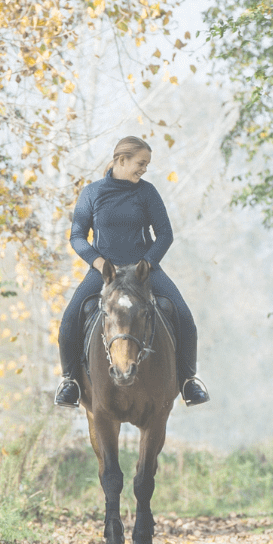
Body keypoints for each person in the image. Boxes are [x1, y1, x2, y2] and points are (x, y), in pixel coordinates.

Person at [54, 135, 210, 408]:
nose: (144, 169)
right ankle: (70, 382)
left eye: (147, 164)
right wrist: (98, 262)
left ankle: (188, 381)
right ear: (121, 160)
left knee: (184, 314)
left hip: (143, 272)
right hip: (106, 272)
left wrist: (147, 263)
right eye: (141, 163)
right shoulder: (91, 193)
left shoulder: (147, 192)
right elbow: (77, 236)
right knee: (70, 318)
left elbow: (164, 234)